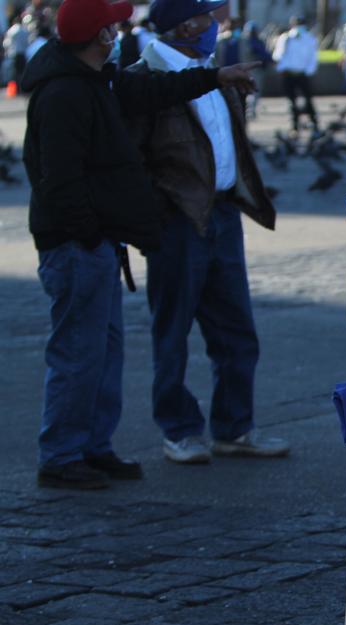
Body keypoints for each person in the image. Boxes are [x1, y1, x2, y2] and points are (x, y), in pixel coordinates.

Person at [22, 0, 258, 489]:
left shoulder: (100, 79)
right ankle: (61, 455)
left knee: (105, 352)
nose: (119, 28)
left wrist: (218, 77)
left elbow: (158, 89)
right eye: (111, 23)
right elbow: (57, 180)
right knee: (77, 352)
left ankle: (94, 448)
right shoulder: (65, 92)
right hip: (75, 245)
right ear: (99, 34)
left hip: (99, 241)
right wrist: (90, 230)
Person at [128, 0, 287, 465]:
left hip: (221, 212)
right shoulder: (146, 78)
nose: (216, 24)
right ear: (184, 25)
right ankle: (179, 429)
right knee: (172, 328)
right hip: (178, 218)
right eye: (208, 17)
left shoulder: (214, 70)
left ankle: (234, 427)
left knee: (237, 329)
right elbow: (135, 156)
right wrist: (155, 214)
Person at [273, 16, 319, 133]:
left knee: (308, 99)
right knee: (291, 101)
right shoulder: (285, 38)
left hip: (302, 73)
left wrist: (309, 71)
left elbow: (312, 57)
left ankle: (314, 123)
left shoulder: (309, 38)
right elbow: (278, 55)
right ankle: (294, 125)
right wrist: (281, 68)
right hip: (288, 73)